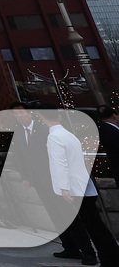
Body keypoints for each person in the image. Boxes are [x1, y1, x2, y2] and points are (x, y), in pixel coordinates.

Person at [47, 114, 119, 266]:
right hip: (83, 185)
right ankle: (110, 255)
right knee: (94, 223)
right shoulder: (68, 134)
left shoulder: (55, 136)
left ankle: (109, 257)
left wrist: (64, 188)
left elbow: (59, 164)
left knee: (92, 224)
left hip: (74, 188)